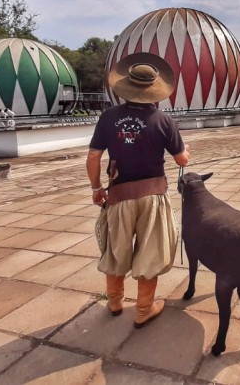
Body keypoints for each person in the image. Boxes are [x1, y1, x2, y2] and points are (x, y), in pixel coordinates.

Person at [86, 52, 189, 328]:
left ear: (126, 87)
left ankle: (115, 302)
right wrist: (185, 151)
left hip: (118, 196)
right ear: (156, 89)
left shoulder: (108, 118)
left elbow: (94, 156)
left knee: (116, 249)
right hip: (152, 197)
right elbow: (181, 160)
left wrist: (97, 188)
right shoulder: (164, 121)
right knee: (151, 251)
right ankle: (143, 309)